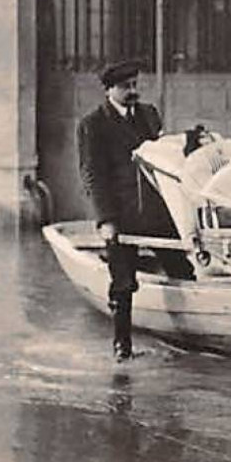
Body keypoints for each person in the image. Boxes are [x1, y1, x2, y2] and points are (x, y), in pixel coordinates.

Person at [77, 60, 193, 362]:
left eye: (135, 85)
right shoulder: (93, 125)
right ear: (108, 89)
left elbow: (166, 156)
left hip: (157, 210)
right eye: (125, 87)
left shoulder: (149, 115)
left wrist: (190, 143)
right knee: (123, 282)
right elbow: (93, 175)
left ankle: (193, 333)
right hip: (122, 214)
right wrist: (106, 220)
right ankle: (122, 344)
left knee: (183, 270)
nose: (132, 92)